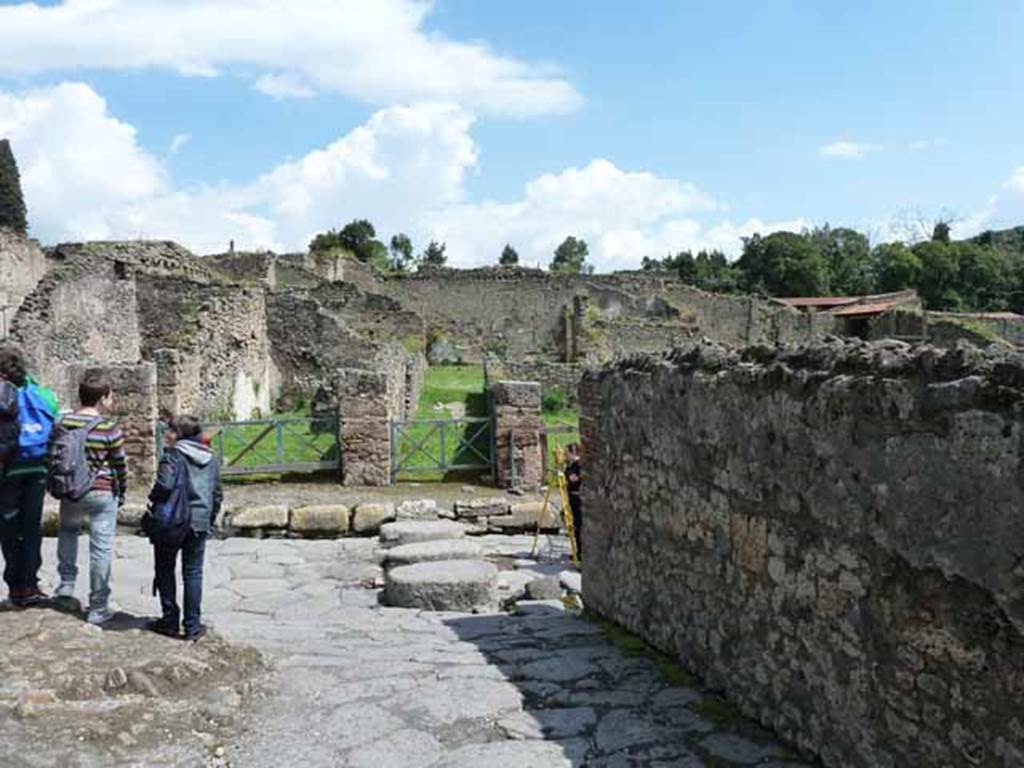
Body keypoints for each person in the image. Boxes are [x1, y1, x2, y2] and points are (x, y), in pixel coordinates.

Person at [53, 371, 127, 625]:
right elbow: (119, 464)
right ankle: (98, 607)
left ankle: (66, 585)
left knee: (68, 531)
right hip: (101, 490)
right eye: (110, 396)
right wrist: (122, 490)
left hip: (71, 489)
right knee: (101, 548)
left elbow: (53, 454)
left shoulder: (63, 422)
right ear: (103, 398)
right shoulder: (108, 428)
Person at [148, 415, 222, 641]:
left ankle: (170, 620)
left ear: (179, 435)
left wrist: (153, 499)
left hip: (172, 521)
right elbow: (216, 493)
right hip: (199, 520)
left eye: (170, 431)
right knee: (193, 573)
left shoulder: (172, 455)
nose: (166, 434)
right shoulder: (211, 458)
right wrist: (209, 518)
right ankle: (192, 626)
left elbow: (164, 485)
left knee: (165, 569)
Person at [0, 343, 58, 609]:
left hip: (8, 470)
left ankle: (16, 587)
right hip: (37, 468)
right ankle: (32, 584)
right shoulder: (42, 394)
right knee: (31, 528)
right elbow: (55, 416)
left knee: (9, 528)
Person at [565, 443, 583, 561]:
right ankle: (577, 551)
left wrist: (570, 475)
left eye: (567, 453)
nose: (565, 455)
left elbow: (575, 479)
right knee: (576, 525)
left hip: (577, 498)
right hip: (572, 497)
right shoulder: (570, 465)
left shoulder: (578, 465)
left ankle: (580, 553)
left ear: (573, 452)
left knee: (578, 526)